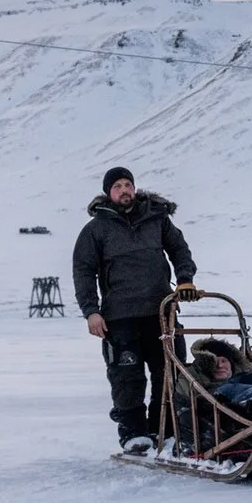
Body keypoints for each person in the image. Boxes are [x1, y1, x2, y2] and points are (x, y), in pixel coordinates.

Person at [71, 166, 197, 453]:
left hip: (162, 312)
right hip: (119, 316)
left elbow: (179, 249)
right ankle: (133, 433)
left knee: (170, 372)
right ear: (108, 193)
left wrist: (185, 279)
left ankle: (164, 429)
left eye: (128, 184)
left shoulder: (157, 219)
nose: (124, 190)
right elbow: (83, 271)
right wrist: (91, 311)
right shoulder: (95, 230)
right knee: (127, 377)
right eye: (117, 186)